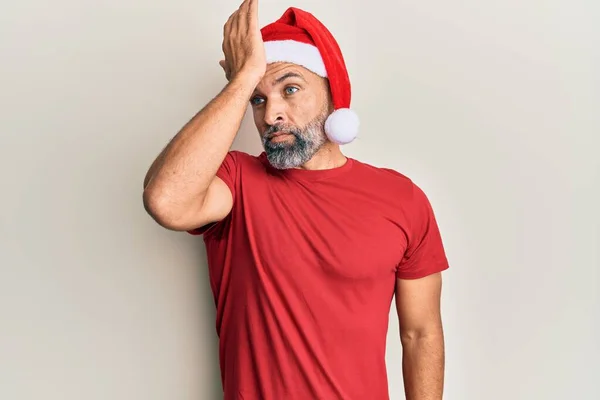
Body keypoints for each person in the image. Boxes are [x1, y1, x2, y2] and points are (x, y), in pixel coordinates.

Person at [142, 1, 450, 399]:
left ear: (333, 93)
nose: (272, 114)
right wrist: (241, 80)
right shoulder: (235, 181)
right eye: (258, 99)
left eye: (290, 89)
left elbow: (420, 333)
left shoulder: (402, 198)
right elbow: (165, 200)